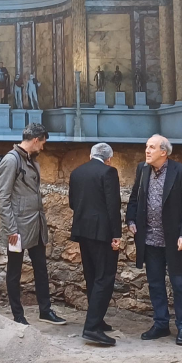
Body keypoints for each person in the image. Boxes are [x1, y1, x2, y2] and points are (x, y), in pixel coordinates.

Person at [125, 134, 182, 346]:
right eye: (146, 146)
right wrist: (131, 219)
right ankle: (161, 324)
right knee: (155, 284)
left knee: (179, 284)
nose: (147, 151)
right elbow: (134, 198)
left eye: (152, 147)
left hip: (175, 240)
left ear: (163, 152)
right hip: (150, 239)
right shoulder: (143, 169)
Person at [0, 122, 65, 326]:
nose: (43, 147)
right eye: (42, 143)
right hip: (17, 229)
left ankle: (45, 310)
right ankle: (18, 315)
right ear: (36, 140)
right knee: (15, 271)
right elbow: (2, 198)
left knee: (41, 268)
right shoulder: (11, 160)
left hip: (36, 225)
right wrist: (12, 230)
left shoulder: (31, 160)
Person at [69, 143, 122, 346]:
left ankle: (96, 319)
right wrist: (116, 234)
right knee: (105, 277)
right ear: (108, 158)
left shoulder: (77, 172)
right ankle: (91, 327)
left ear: (90, 155)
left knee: (92, 276)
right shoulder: (109, 172)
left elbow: (72, 203)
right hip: (102, 232)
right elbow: (113, 205)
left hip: (83, 231)